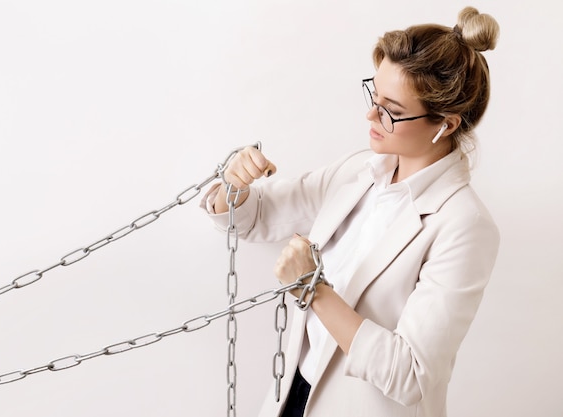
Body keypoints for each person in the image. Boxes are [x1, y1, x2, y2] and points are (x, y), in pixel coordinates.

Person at [201, 6, 500, 417]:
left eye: (391, 109)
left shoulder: (464, 226)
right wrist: (235, 183)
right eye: (374, 96)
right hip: (293, 395)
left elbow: (411, 375)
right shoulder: (358, 172)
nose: (371, 115)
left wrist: (313, 289)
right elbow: (253, 217)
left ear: (445, 125)